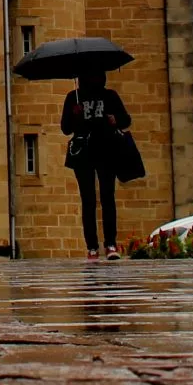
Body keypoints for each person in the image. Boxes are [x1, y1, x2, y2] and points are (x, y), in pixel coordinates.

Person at [61, 68, 134, 259]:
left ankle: (110, 244)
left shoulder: (110, 96)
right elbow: (65, 128)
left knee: (108, 197)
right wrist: (74, 114)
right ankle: (92, 247)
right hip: (83, 154)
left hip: (107, 151)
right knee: (88, 200)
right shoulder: (73, 97)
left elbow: (126, 120)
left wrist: (115, 120)